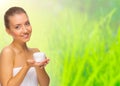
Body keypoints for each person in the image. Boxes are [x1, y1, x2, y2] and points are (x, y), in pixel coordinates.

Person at [0, 6, 50, 86]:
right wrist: (26, 66)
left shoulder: (35, 52)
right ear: (8, 31)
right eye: (17, 27)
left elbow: (45, 84)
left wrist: (39, 67)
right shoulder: (8, 52)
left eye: (27, 24)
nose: (25, 30)